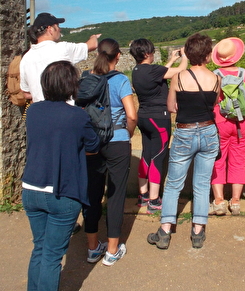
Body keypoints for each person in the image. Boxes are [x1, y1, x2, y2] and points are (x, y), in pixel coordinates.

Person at [22, 61, 100, 291]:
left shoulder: (33, 111)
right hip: (63, 192)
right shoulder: (77, 116)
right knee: (52, 256)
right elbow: (93, 145)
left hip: (31, 188)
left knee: (39, 248)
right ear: (71, 85)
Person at [147, 33, 220, 249]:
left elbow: (171, 107)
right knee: (202, 183)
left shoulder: (179, 77)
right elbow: (213, 104)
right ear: (207, 56)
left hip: (185, 132)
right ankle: (198, 231)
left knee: (173, 184)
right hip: (208, 132)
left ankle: (165, 230)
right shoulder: (217, 79)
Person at [82, 38, 137, 266]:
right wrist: (128, 132)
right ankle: (112, 250)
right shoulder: (121, 80)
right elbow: (132, 115)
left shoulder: (86, 78)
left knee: (92, 194)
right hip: (117, 141)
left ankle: (93, 248)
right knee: (115, 196)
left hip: (91, 143)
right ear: (117, 56)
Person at [129, 39, 188, 214]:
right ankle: (154, 200)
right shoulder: (153, 70)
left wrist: (171, 59)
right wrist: (184, 56)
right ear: (147, 53)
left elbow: (161, 73)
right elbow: (180, 71)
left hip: (144, 117)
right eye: (152, 51)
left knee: (146, 154)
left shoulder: (137, 70)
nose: (154, 53)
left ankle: (143, 195)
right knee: (158, 156)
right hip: (158, 118)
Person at [209, 37, 245, 216]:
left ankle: (219, 201)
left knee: (217, 159)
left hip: (220, 122)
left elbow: (211, 102)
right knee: (239, 161)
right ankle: (236, 202)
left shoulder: (214, 75)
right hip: (243, 124)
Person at [20, 12, 101, 103]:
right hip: (64, 111)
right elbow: (92, 45)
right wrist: (94, 37)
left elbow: (26, 93)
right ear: (50, 29)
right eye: (57, 26)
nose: (60, 29)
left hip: (40, 112)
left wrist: (39, 94)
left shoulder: (26, 58)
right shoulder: (62, 49)